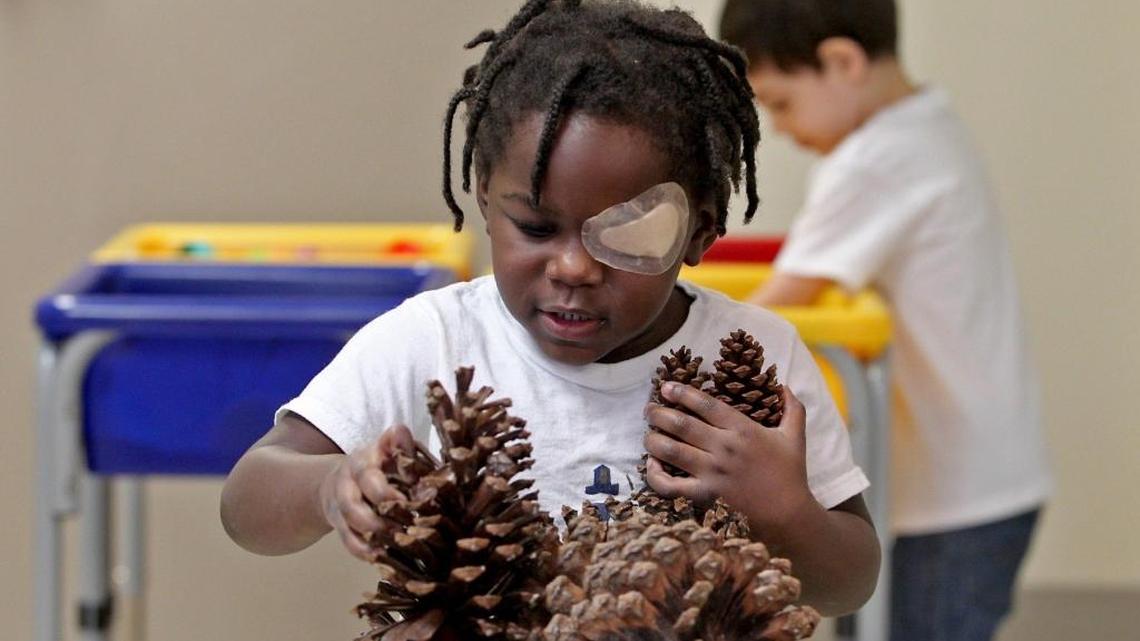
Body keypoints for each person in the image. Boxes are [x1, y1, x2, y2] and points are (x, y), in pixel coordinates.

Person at [220, 0, 879, 616]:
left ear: (699, 232)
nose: (573, 268)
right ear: (485, 198)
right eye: (536, 228)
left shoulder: (759, 357)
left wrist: (784, 510)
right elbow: (247, 500)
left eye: (623, 237)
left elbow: (851, 584)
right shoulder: (431, 342)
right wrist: (330, 488)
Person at [718, 1, 1052, 639]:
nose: (779, 128)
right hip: (977, 475)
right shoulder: (929, 124)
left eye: (782, 103)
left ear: (842, 61)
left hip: (954, 494)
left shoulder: (877, 160)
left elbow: (769, 312)